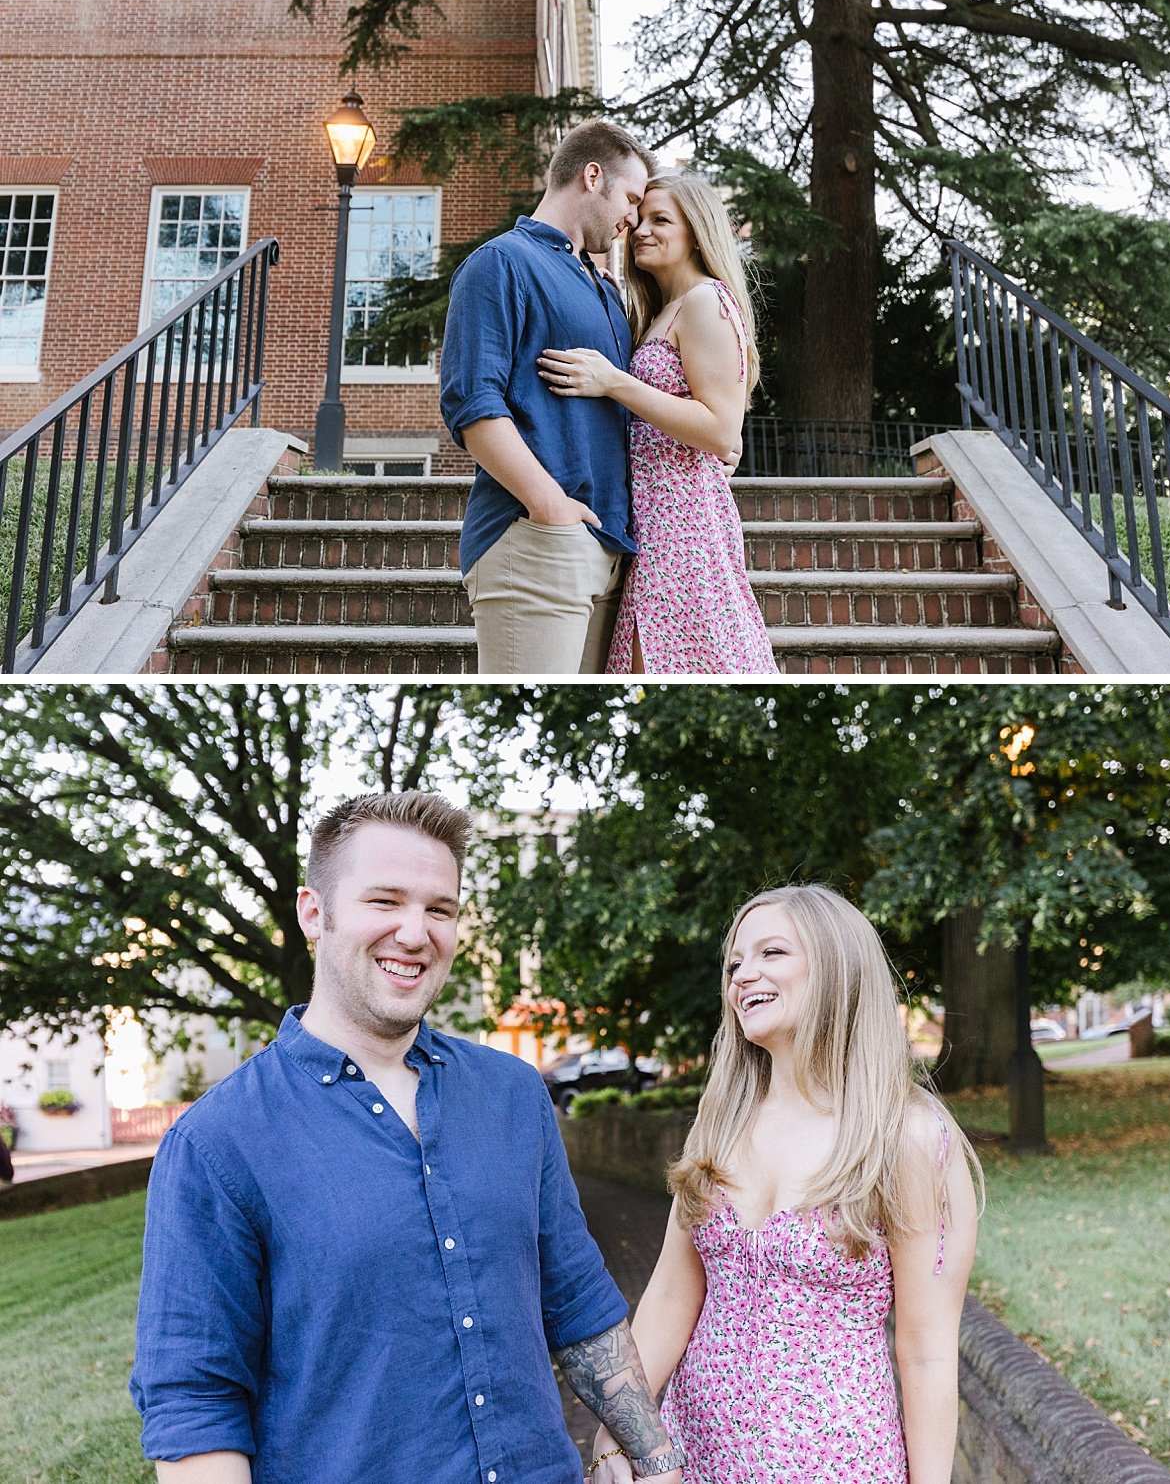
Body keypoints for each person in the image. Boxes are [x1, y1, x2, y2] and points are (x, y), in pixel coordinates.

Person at [131, 790, 685, 1484]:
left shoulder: (514, 1096)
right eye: (384, 901)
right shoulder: (218, 1145)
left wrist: (654, 1457)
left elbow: (575, 1302)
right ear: (315, 912)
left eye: (440, 909)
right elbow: (196, 1402)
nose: (416, 933)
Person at [590, 884, 981, 1484]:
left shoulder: (905, 1136)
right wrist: (618, 1431)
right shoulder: (720, 1124)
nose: (744, 974)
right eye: (735, 963)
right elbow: (671, 1294)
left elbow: (927, 1352)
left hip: (835, 1464)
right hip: (696, 1454)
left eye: (771, 953)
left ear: (837, 968)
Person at [537, 171, 777, 675]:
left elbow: (719, 429)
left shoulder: (707, 300)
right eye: (639, 218)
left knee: (677, 665)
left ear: (697, 232)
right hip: (647, 523)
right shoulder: (660, 312)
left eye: (661, 220)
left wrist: (613, 382)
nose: (641, 229)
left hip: (682, 527)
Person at [440, 120, 656, 675]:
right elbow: (472, 403)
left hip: (610, 550)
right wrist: (550, 508)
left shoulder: (606, 290)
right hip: (536, 541)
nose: (632, 218)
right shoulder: (501, 263)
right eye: (630, 198)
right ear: (592, 176)